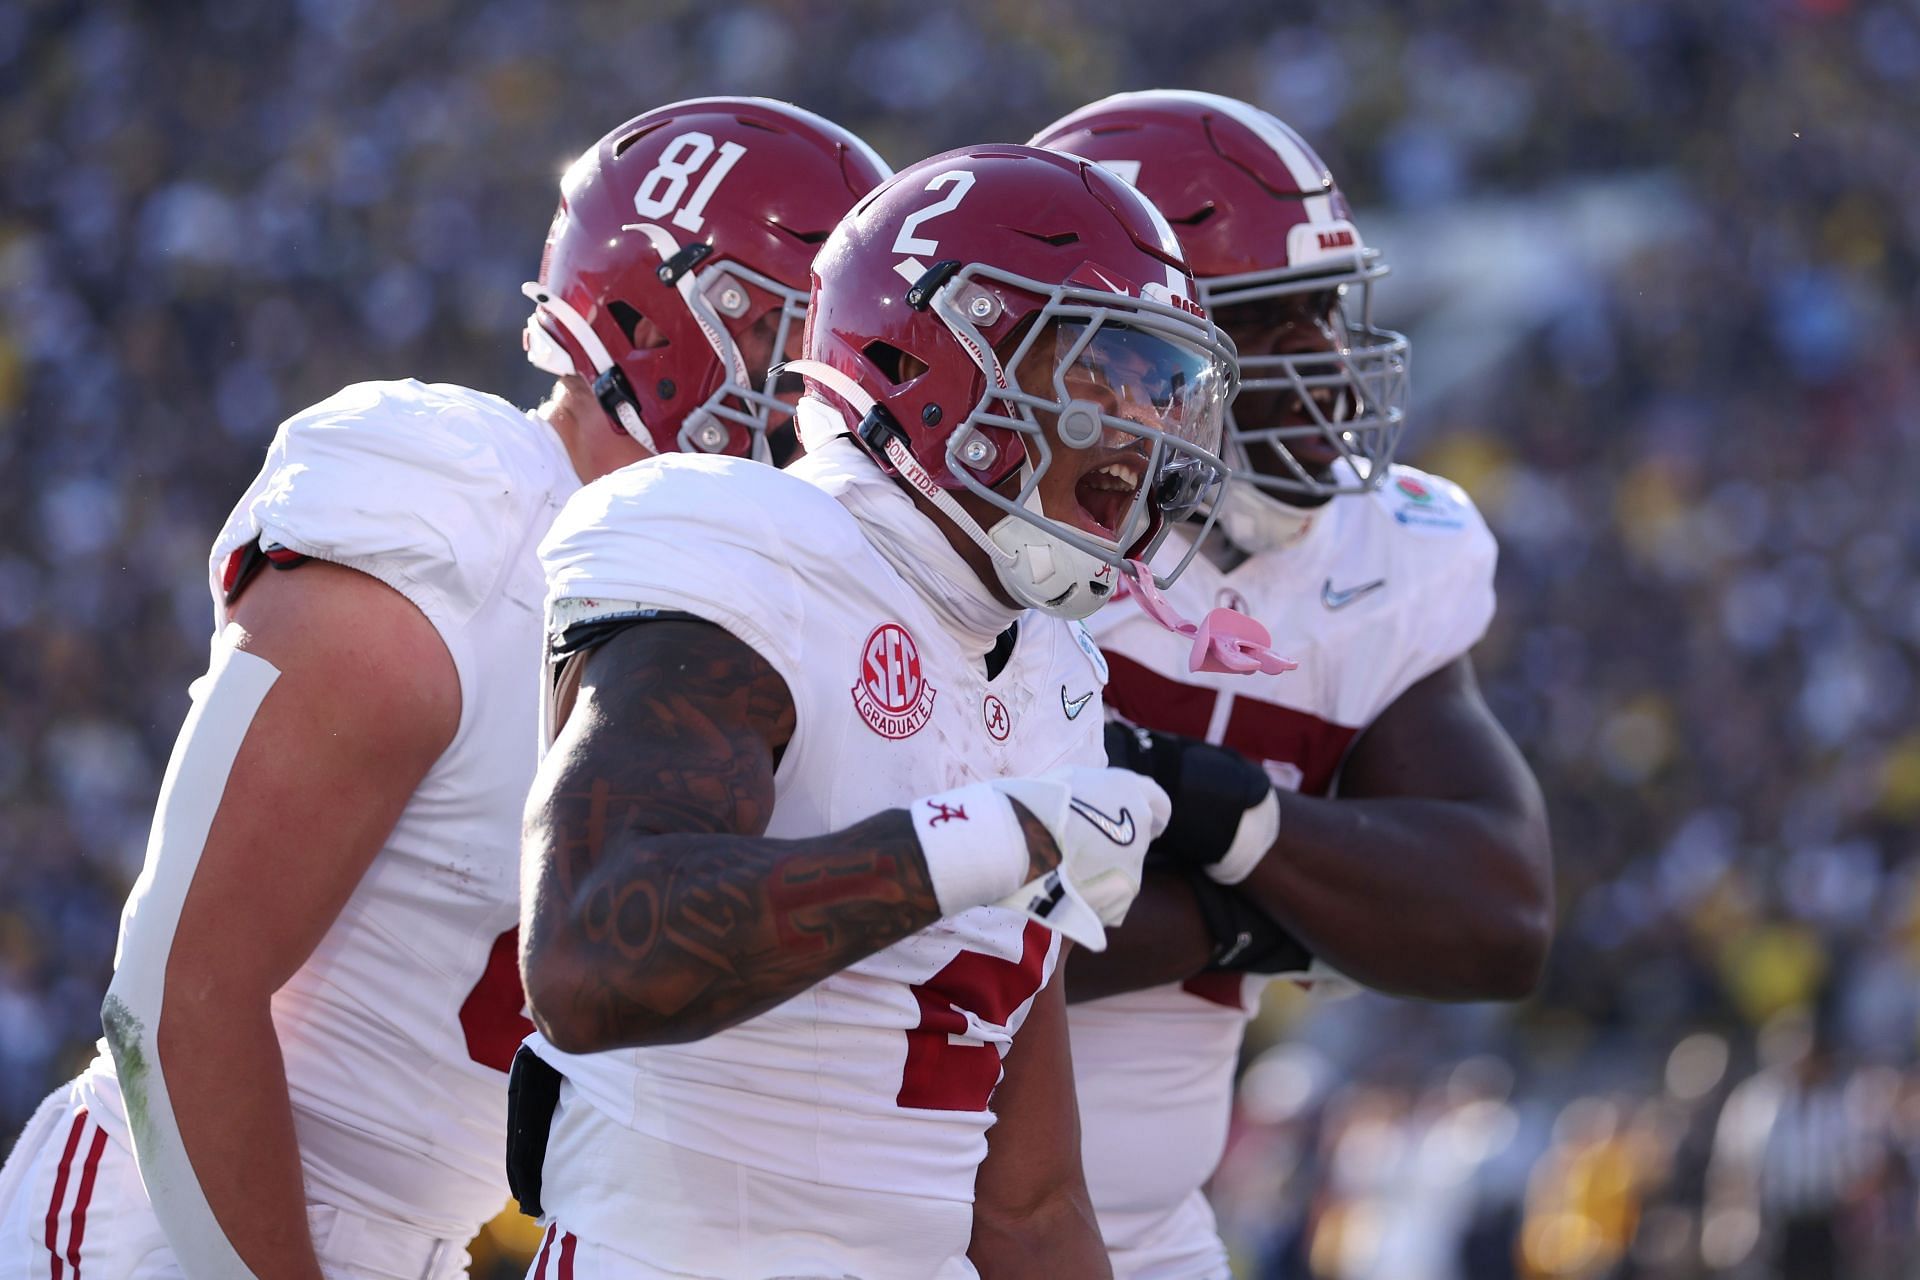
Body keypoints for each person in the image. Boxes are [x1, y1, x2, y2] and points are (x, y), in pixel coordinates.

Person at [0, 97, 889, 1280]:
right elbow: (178, 997)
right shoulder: (455, 525)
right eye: (812, 351)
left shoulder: (736, 618)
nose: (844, 413)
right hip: (165, 1223)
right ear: (677, 316)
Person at [512, 142, 1258, 1279]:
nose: (1147, 428)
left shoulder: (1049, 671)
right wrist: (991, 836)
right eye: (1108, 368)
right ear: (935, 354)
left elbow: (1031, 1203)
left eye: (1169, 387)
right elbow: (594, 957)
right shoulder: (749, 544)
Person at [1026, 90, 1555, 1279]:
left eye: (1329, 305)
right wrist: (1282, 897)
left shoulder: (1380, 558)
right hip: (878, 1220)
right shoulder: (989, 543)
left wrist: (1220, 815)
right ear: (1110, 353)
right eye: (1277, 321)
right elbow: (953, 933)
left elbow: (1496, 919)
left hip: (1151, 1235)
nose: (1328, 356)